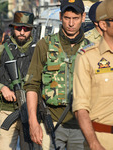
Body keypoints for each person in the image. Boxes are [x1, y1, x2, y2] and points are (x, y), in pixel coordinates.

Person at [23, 0, 89, 149]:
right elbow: (32, 86)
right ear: (60, 17)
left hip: (82, 125)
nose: (71, 23)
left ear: (83, 17)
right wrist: (33, 121)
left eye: (75, 18)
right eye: (67, 18)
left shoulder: (91, 49)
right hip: (50, 122)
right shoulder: (44, 45)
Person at [0, 11, 37, 150]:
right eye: (18, 28)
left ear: (31, 30)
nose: (22, 32)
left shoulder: (39, 51)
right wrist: (1, 88)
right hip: (6, 111)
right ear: (12, 28)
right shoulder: (0, 51)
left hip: (32, 112)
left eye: (26, 29)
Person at [73, 0, 113, 149]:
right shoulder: (87, 57)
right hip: (101, 140)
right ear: (103, 24)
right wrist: (94, 144)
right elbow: (81, 107)